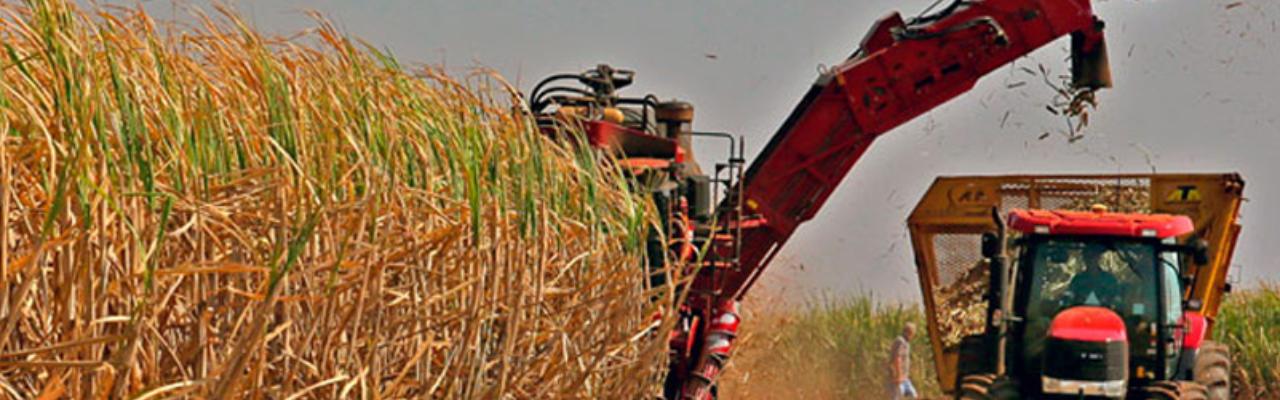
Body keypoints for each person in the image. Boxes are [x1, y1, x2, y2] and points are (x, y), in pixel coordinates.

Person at [886, 323, 918, 399]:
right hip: (898, 377)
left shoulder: (906, 343)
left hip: (904, 377)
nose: (913, 336)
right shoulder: (900, 341)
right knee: (897, 397)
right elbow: (897, 358)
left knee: (913, 396)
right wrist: (898, 375)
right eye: (912, 333)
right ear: (908, 332)